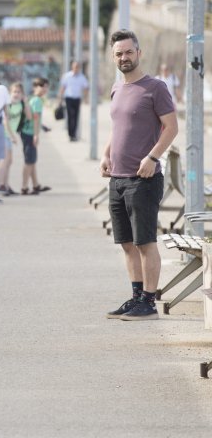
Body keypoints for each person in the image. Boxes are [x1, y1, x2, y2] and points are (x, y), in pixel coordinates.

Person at [101, 29, 178, 321]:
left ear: (139, 53)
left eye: (128, 52)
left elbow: (171, 127)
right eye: (119, 53)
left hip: (144, 178)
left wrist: (152, 157)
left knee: (145, 242)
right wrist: (106, 154)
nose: (124, 57)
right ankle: (136, 298)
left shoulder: (155, 88)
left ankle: (150, 302)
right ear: (114, 57)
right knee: (126, 243)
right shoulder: (117, 88)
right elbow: (117, 127)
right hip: (117, 178)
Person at [20, 78, 51, 196]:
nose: (45, 89)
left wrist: (42, 127)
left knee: (31, 160)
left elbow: (34, 118)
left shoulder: (33, 99)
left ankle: (35, 185)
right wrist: (36, 135)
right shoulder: (37, 100)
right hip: (30, 133)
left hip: (26, 132)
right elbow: (36, 118)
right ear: (36, 87)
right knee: (29, 161)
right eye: (43, 86)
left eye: (46, 86)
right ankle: (24, 187)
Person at [0, 82, 28, 196]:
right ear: (10, 93)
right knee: (5, 160)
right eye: (14, 91)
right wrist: (13, 136)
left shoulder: (20, 105)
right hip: (4, 134)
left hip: (9, 136)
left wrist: (26, 102)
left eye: (19, 92)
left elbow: (28, 116)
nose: (16, 94)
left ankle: (6, 184)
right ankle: (0, 184)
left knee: (9, 161)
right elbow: (5, 122)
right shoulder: (7, 104)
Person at [57, 60, 89, 142]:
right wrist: (60, 98)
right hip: (69, 98)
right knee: (70, 116)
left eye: (77, 67)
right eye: (75, 67)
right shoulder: (67, 76)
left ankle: (73, 134)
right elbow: (63, 87)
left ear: (79, 68)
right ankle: (70, 134)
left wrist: (86, 98)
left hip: (77, 99)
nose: (76, 68)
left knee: (75, 117)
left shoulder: (82, 77)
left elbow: (85, 88)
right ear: (72, 67)